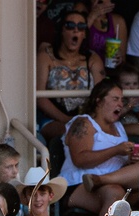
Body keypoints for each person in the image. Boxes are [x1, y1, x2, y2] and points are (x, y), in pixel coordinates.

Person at [61, 79, 139, 216]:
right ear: (99, 100)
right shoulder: (84, 122)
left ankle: (101, 180)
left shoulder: (119, 128)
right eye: (115, 99)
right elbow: (80, 160)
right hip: (78, 184)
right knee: (115, 193)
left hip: (113, 184)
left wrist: (130, 160)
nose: (120, 103)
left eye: (121, 99)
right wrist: (116, 150)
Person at [35, 10, 106, 142]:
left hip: (86, 118)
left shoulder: (93, 59)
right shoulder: (46, 57)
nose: (75, 31)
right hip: (52, 118)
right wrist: (68, 120)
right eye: (70, 26)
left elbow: (101, 96)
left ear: (84, 34)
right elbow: (40, 98)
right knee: (76, 133)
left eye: (81, 27)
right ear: (61, 30)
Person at [78, 0, 127, 71]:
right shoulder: (80, 9)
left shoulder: (117, 21)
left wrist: (119, 58)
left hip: (109, 72)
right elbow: (74, 37)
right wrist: (92, 16)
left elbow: (123, 61)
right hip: (85, 69)